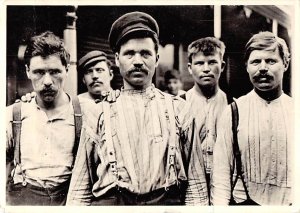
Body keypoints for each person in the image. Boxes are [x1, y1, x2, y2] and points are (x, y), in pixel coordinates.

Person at [66, 11, 209, 205]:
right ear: (117, 59)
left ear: (157, 59)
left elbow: (196, 185)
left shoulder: (179, 109)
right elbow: (80, 188)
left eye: (145, 53)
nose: (138, 61)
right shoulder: (98, 112)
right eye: (129, 53)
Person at [6, 31, 88, 205]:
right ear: (28, 71)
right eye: (39, 72)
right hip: (25, 200)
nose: (48, 81)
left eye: (55, 71)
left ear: (66, 69)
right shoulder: (12, 114)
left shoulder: (86, 112)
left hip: (69, 199)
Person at [211, 31, 292, 205]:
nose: (263, 68)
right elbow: (221, 176)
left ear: (285, 63)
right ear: (247, 66)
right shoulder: (233, 112)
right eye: (256, 61)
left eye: (271, 61)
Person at [183, 37, 231, 190]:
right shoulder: (179, 104)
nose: (206, 69)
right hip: (190, 184)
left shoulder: (233, 105)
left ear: (222, 66)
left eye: (212, 62)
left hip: (224, 183)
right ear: (190, 68)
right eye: (199, 63)